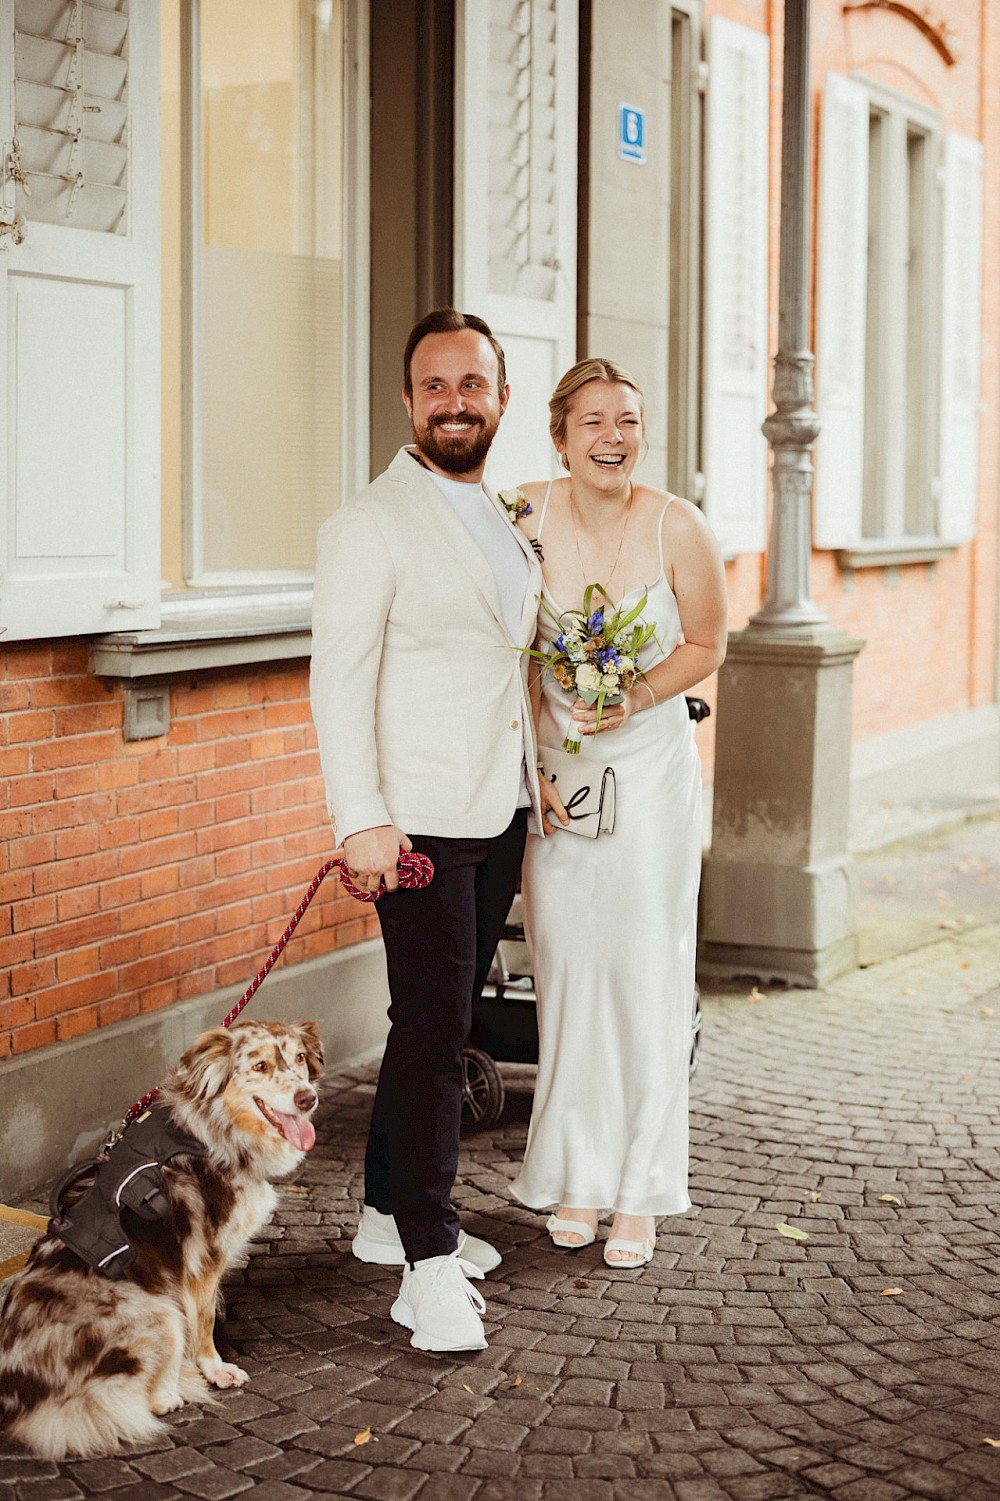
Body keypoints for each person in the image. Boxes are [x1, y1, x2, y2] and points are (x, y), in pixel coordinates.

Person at [310, 309, 542, 1351]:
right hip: (415, 823)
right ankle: (428, 1261)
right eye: (436, 384)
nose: (456, 400)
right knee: (436, 1030)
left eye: (474, 383)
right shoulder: (370, 522)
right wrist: (360, 817)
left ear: (501, 397)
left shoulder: (498, 512)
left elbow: (506, 662)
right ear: (408, 402)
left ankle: (378, 1213)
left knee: (431, 1019)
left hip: (499, 805)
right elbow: (337, 682)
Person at [509, 358, 727, 1267]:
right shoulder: (521, 515)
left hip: (651, 776)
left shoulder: (680, 524)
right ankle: (574, 1176)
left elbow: (708, 642)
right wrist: (533, 766)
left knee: (644, 968)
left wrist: (636, 693)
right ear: (559, 435)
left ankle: (638, 1189)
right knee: (569, 969)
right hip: (563, 778)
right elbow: (511, 649)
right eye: (593, 420)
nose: (613, 437)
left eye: (628, 420)